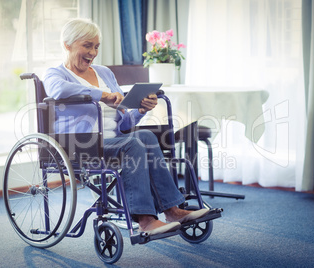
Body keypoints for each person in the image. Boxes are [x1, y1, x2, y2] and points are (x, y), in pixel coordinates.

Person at [43, 18, 209, 235]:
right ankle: (146, 220)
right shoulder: (55, 74)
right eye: (87, 45)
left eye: (96, 47)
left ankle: (172, 210)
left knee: (147, 137)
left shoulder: (104, 73)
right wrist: (102, 95)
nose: (93, 52)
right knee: (134, 145)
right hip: (80, 144)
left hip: (113, 140)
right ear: (67, 44)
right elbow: (59, 91)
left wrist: (140, 110)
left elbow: (124, 122)